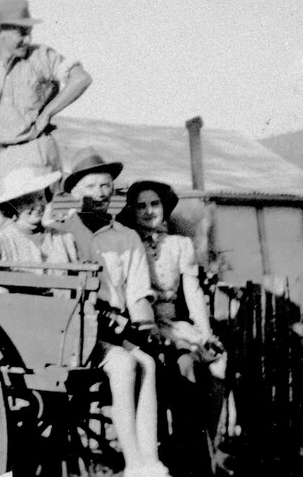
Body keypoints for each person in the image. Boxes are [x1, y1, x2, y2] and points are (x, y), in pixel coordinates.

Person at [53, 148, 171, 477]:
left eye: (106, 186)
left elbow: (136, 295)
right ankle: (134, 463)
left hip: (115, 329)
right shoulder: (61, 233)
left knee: (147, 361)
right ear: (75, 192)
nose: (100, 194)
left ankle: (150, 461)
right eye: (91, 187)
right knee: (126, 363)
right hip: (76, 328)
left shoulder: (126, 237)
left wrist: (147, 333)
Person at [0, 0, 92, 242]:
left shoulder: (43, 56)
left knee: (46, 225)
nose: (27, 39)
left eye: (29, 32)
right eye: (21, 33)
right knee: (1, 228)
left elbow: (81, 79)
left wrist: (47, 113)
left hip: (36, 151)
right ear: (1, 31)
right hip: (5, 157)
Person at [119, 180, 228, 476]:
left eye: (154, 204)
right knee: (184, 366)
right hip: (144, 323)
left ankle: (209, 446)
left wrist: (204, 333)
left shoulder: (180, 245)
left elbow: (192, 293)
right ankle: (183, 452)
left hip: (175, 323)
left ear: (164, 208)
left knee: (217, 359)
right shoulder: (129, 244)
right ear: (131, 210)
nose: (148, 211)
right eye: (140, 206)